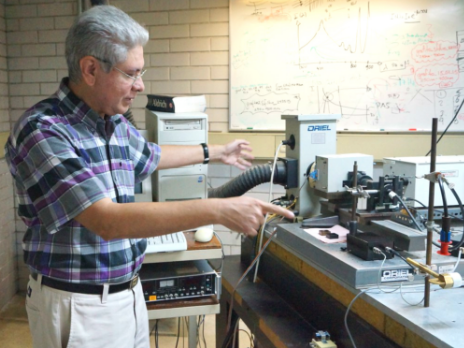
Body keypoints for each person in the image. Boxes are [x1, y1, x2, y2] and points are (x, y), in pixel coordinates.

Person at [4, 5, 294, 348]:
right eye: (131, 73)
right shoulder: (44, 131)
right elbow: (106, 220)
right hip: (78, 305)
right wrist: (218, 209)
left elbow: (151, 156)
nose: (140, 85)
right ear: (91, 69)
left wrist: (215, 152)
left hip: (128, 295)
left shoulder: (113, 122)